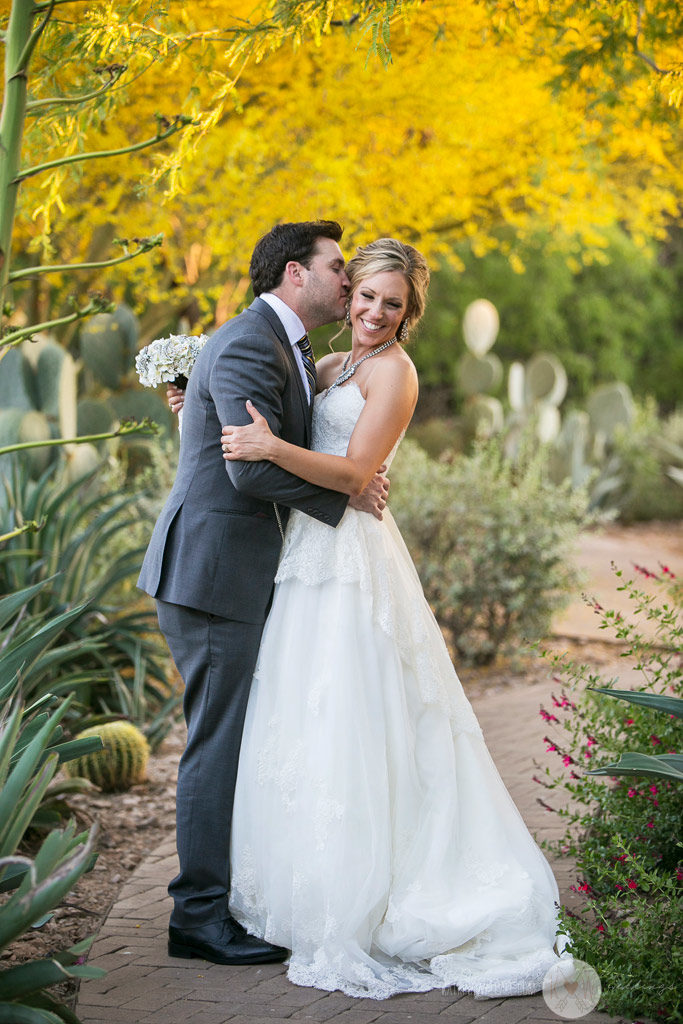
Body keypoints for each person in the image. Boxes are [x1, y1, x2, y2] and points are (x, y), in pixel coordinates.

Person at [216, 238, 565, 999]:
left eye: (392, 303)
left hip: (352, 560)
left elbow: (352, 473)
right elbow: (275, 411)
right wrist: (194, 394)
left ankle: (372, 894)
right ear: (348, 297)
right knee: (300, 709)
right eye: (367, 296)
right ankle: (297, 885)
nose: (375, 311)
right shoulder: (331, 366)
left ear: (408, 315)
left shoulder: (395, 373)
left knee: (353, 709)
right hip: (307, 552)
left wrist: (274, 446)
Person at [137, 221, 389, 967]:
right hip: (212, 572)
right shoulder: (252, 340)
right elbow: (246, 469)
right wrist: (346, 499)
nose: (346, 283)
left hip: (227, 568)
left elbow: (255, 436)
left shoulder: (283, 345)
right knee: (217, 744)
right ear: (291, 273)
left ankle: (221, 904)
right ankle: (199, 918)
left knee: (234, 737)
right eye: (336, 269)